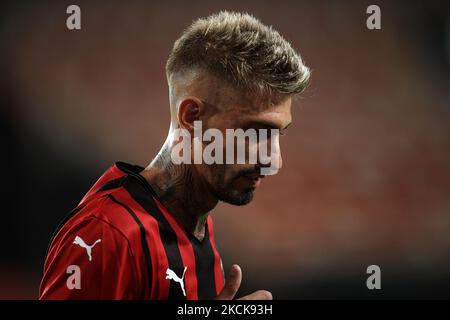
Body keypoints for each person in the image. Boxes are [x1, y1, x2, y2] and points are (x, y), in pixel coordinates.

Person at [39, 11, 310, 300]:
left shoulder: (193, 222)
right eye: (256, 132)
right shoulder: (110, 236)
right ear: (192, 117)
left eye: (277, 134)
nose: (273, 161)